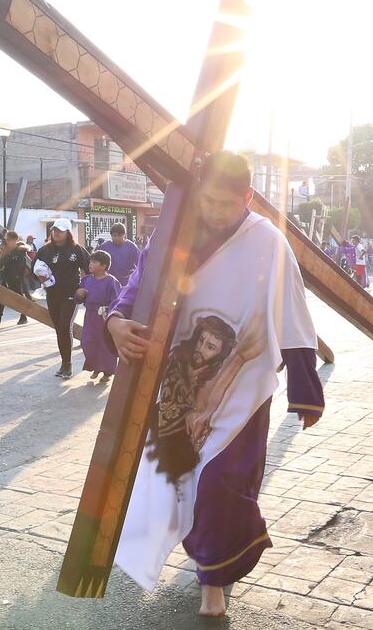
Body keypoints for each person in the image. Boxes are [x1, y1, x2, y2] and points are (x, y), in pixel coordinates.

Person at [107, 151, 323, 618]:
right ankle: (204, 562)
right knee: (178, 478)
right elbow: (138, 285)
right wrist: (115, 320)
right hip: (179, 386)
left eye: (226, 204)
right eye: (208, 201)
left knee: (222, 483)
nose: (215, 212)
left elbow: (293, 310)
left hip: (242, 390)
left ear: (247, 197)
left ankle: (213, 583)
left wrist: (305, 388)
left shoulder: (267, 241)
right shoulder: (178, 233)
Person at [35, 219, 90, 377]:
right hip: (52, 294)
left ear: (67, 232)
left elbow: (89, 268)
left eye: (60, 230)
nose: (56, 232)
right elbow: (34, 269)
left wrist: (82, 287)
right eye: (54, 230)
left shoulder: (76, 249)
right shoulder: (45, 250)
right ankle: (64, 361)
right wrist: (40, 278)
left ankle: (68, 364)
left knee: (65, 326)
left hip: (70, 295)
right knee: (59, 328)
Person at [75, 250, 121, 381]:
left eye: (94, 262)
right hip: (90, 316)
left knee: (105, 344)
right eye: (90, 261)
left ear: (104, 266)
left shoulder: (111, 281)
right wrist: (79, 294)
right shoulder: (86, 280)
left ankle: (107, 371)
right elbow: (78, 298)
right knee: (88, 342)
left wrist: (111, 313)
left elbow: (117, 301)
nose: (90, 264)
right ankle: (96, 367)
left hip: (104, 317)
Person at [0, 230, 32, 326]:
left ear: (14, 240)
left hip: (16, 279)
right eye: (6, 239)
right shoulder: (6, 251)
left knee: (18, 299)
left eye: (9, 239)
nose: (7, 241)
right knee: (3, 296)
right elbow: (1, 264)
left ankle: (24, 316)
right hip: (6, 278)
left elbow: (20, 266)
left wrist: (15, 277)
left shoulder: (20, 251)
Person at [97, 222, 141, 286]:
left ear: (124, 235)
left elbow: (140, 263)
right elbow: (96, 262)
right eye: (115, 235)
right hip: (110, 281)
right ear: (111, 235)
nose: (117, 238)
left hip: (128, 282)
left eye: (120, 235)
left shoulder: (132, 247)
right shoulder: (104, 247)